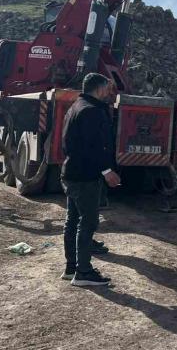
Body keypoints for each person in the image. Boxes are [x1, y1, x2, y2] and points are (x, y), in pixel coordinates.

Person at [60, 73, 122, 287]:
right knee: (88, 222)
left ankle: (71, 267)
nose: (109, 91)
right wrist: (107, 171)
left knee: (72, 221)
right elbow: (94, 146)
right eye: (107, 87)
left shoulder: (76, 107)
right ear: (99, 88)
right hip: (85, 175)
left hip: (72, 172)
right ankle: (83, 272)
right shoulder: (92, 111)